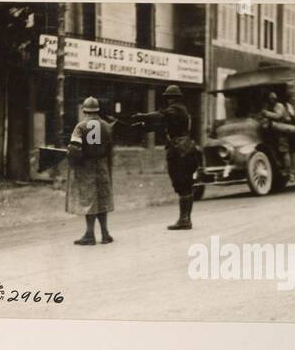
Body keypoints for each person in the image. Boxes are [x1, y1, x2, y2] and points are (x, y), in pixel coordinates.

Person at [125, 84, 201, 230]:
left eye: (169, 98)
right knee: (183, 184)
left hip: (180, 151)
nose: (168, 101)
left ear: (172, 99)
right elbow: (160, 125)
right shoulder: (177, 112)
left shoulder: (176, 109)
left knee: (182, 183)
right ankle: (185, 219)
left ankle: (185, 220)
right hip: (183, 150)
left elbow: (161, 116)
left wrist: (144, 116)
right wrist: (142, 127)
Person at [65, 96, 115, 245]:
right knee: (102, 198)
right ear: (97, 110)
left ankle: (89, 235)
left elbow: (75, 148)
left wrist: (72, 160)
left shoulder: (80, 126)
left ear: (84, 111)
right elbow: (110, 150)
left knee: (89, 199)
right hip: (102, 166)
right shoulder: (106, 126)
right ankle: (105, 234)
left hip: (86, 167)